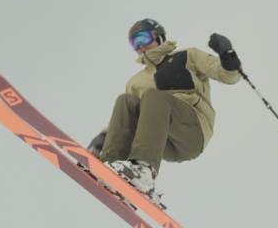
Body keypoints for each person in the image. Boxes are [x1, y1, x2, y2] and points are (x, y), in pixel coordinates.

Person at [86, 19, 243, 207]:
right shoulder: (137, 81)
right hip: (163, 142)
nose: (141, 46)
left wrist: (227, 55)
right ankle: (111, 167)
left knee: (153, 97)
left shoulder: (187, 56)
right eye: (135, 43)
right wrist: (103, 137)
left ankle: (142, 172)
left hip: (193, 130)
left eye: (143, 38)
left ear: (159, 36)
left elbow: (229, 76)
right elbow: (125, 119)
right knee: (125, 100)